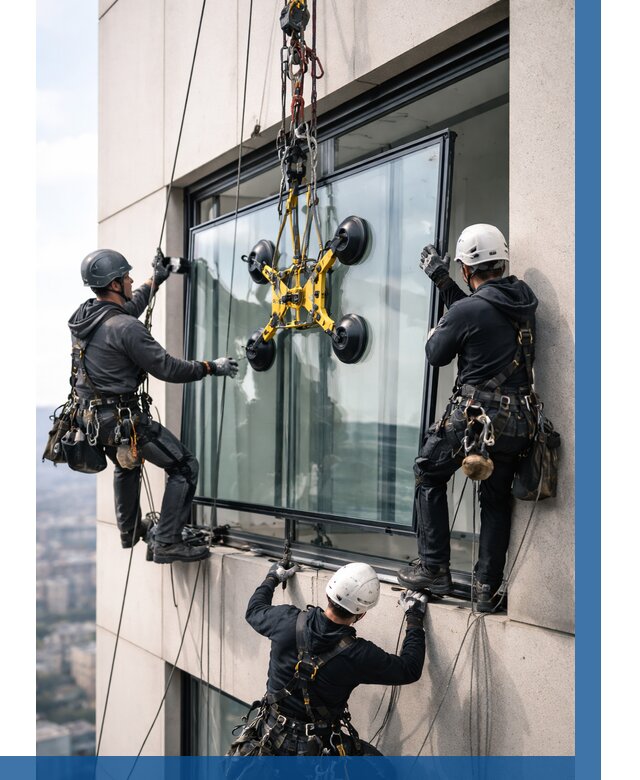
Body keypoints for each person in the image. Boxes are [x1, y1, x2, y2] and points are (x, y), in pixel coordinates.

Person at [396, 224, 538, 611]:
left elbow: (437, 353)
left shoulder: (469, 309)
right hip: (517, 421)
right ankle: (486, 591)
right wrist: (443, 282)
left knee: (428, 471)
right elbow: (480, 313)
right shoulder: (522, 302)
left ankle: (433, 566)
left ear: (465, 268)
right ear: (502, 261)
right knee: (495, 501)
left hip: (475, 418)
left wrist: (433, 332)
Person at [68, 248, 239, 564]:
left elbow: (127, 309)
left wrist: (155, 280)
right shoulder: (127, 328)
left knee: (126, 464)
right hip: (123, 420)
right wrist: (211, 366)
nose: (132, 279)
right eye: (126, 276)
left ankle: (131, 531)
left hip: (93, 421)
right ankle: (168, 542)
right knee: (185, 467)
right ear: (116, 283)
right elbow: (168, 368)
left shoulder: (86, 318)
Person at [228, 560, 427, 756]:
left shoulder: (286, 621)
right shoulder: (358, 654)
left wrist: (273, 577)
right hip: (314, 748)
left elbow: (254, 610)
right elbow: (409, 669)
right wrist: (414, 617)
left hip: (270, 736)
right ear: (361, 614)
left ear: (328, 594)